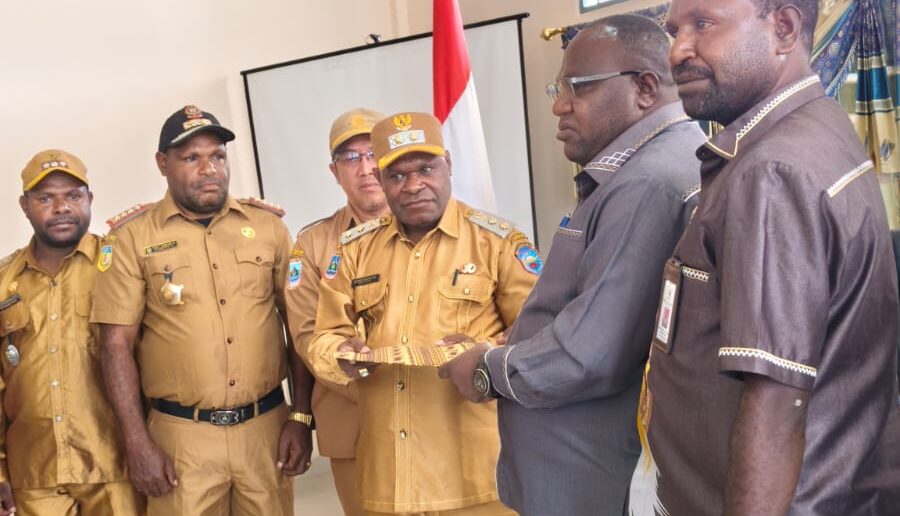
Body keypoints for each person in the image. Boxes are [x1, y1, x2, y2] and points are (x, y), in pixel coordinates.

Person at [629, 1, 900, 514]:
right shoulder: (815, 122)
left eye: (703, 24)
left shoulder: (771, 172)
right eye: (674, 30)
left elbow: (776, 400)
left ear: (783, 28)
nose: (678, 50)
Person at [438, 14, 705, 516]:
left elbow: (589, 354)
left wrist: (486, 369)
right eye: (558, 89)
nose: (559, 105)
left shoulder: (644, 184)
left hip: (591, 480)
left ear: (645, 88)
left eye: (578, 88)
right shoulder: (660, 162)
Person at [309, 111, 538, 515]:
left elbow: (538, 335)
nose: (414, 185)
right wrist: (340, 355)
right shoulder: (354, 250)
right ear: (381, 180)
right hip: (390, 477)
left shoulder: (498, 243)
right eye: (397, 175)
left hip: (476, 477)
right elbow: (324, 336)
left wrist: (484, 352)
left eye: (426, 169)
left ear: (448, 164)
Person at [90, 105, 314, 516]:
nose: (209, 169)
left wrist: (301, 415)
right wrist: (136, 441)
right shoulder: (131, 238)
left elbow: (298, 326)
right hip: (181, 439)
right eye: (191, 157)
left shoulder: (268, 228)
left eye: (217, 156)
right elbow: (115, 346)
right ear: (163, 164)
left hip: (265, 430)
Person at [0, 150, 144, 516]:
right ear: (25, 205)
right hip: (34, 474)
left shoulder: (122, 265)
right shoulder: (3, 280)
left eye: (73, 196)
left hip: (115, 466)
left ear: (90, 198)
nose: (62, 207)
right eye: (46, 198)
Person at [285, 107, 388, 516]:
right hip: (355, 421)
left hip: (437, 415)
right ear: (335, 172)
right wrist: (382, 388)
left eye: (374, 153)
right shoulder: (312, 245)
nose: (365, 168)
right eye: (351, 157)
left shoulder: (433, 229)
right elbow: (308, 337)